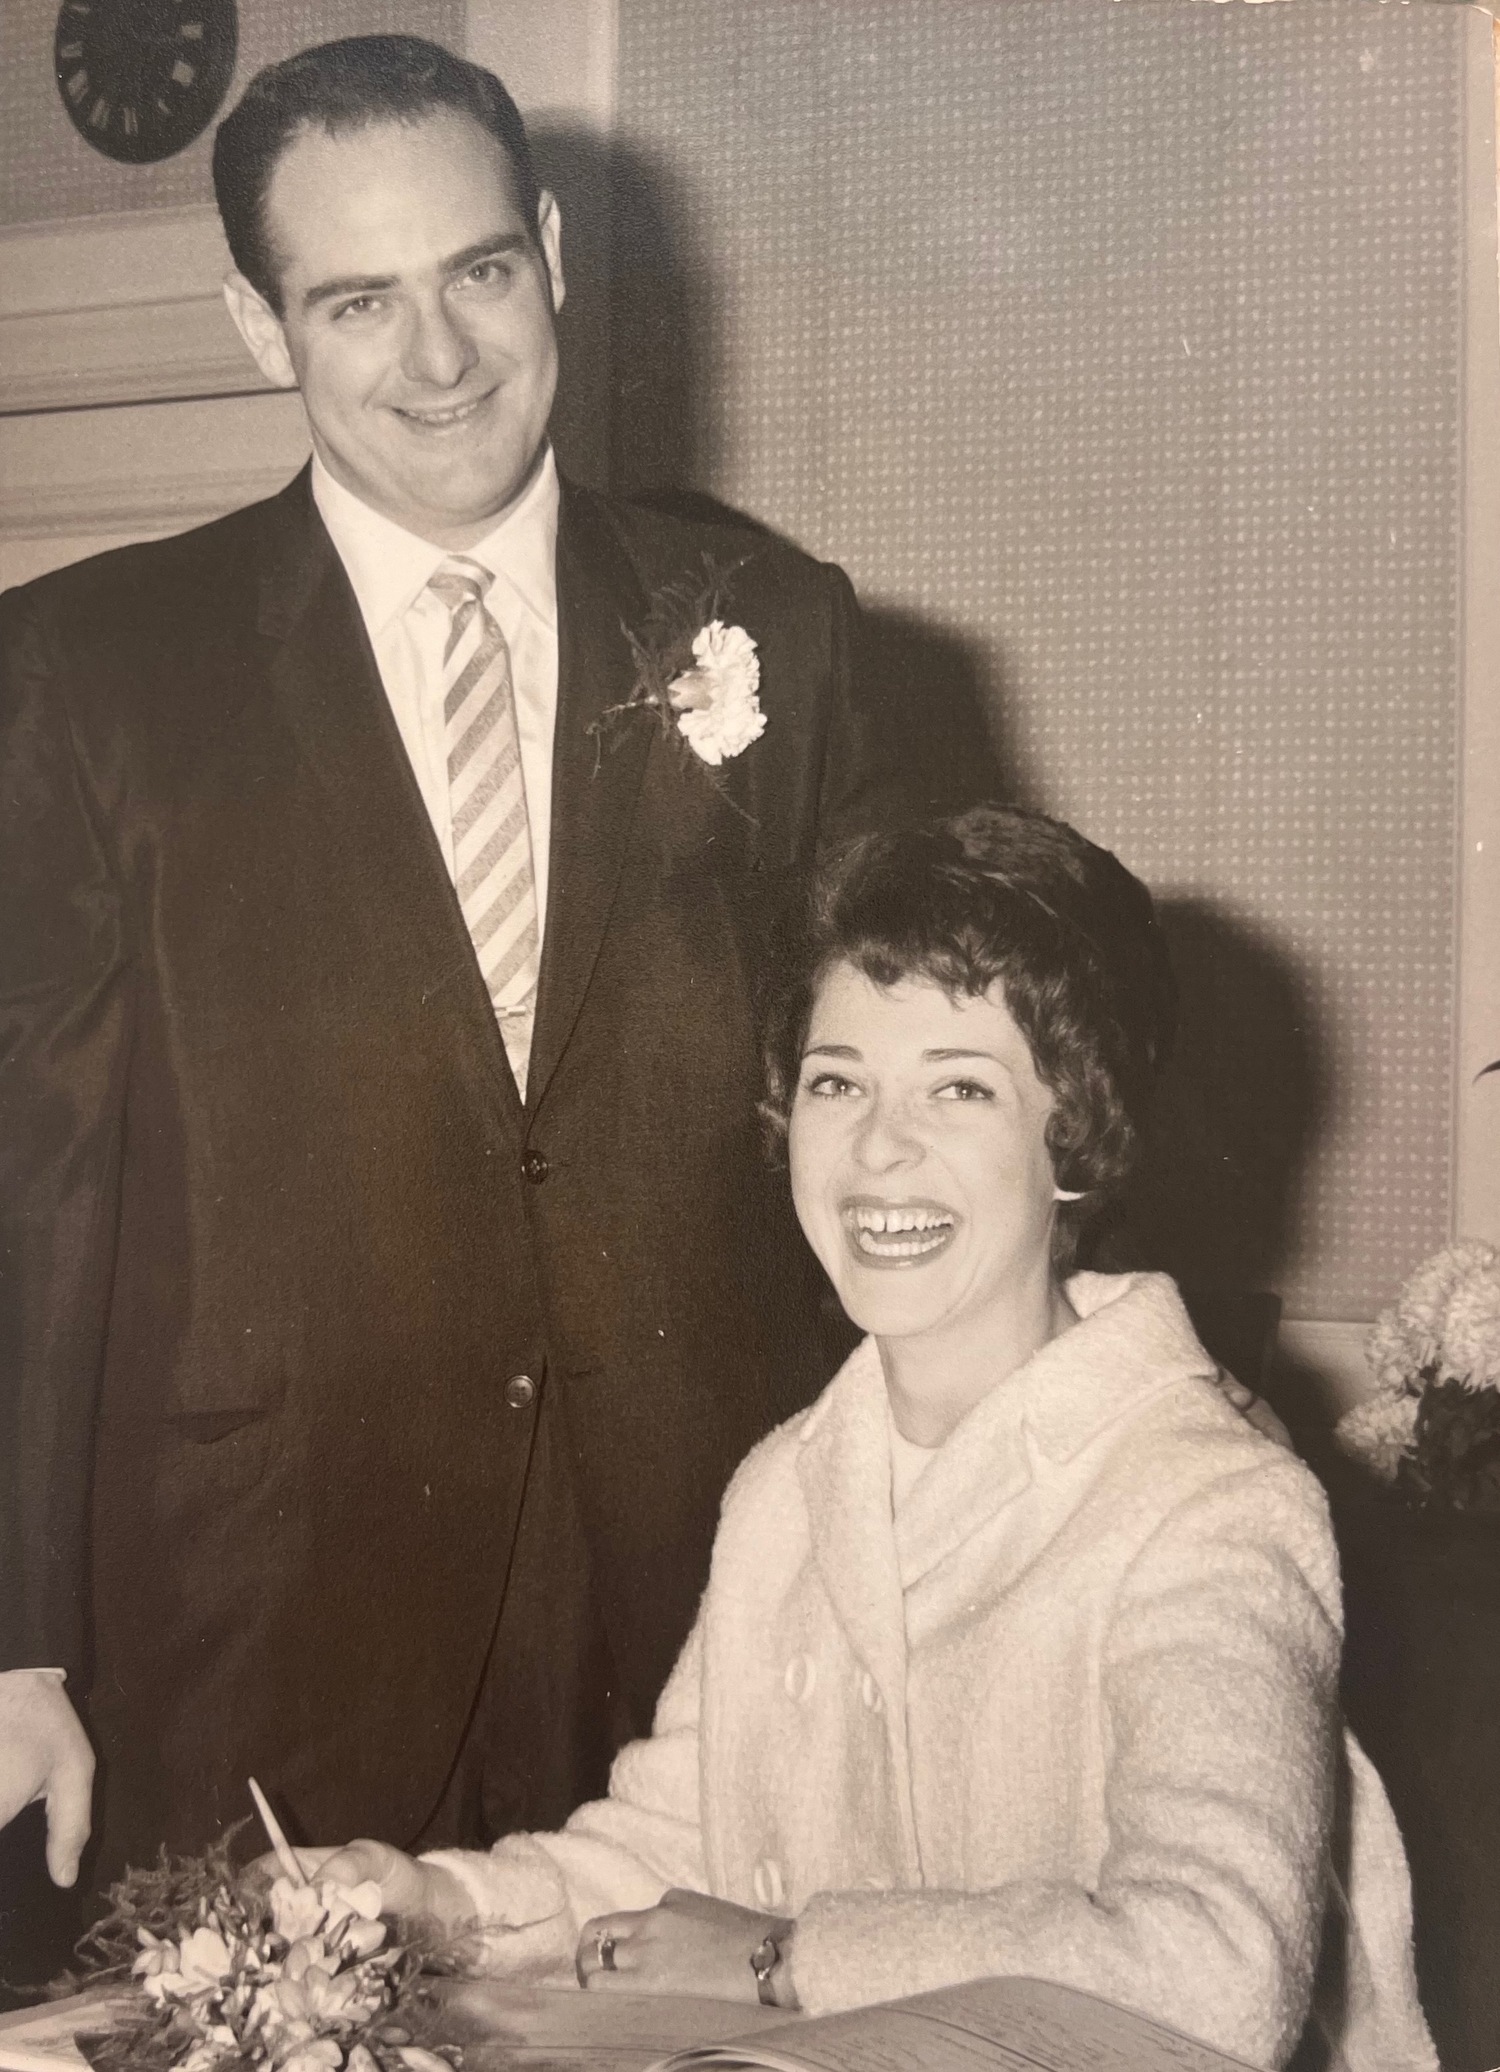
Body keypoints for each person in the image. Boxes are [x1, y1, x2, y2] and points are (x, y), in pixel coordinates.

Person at [0, 31, 943, 1929]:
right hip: (254, 1626)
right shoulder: (88, 675)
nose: (438, 358)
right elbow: (31, 1181)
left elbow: (908, 1114)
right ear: (263, 328)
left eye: (478, 272)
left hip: (701, 1632)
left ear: (558, 260)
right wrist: (15, 1642)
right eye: (357, 300)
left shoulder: (779, 630)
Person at [301, 807, 1435, 2071]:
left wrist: (781, 1954)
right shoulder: (786, 1485)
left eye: (960, 1085)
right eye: (838, 1080)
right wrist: (435, 1903)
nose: (878, 1149)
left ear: (1079, 1136)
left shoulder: (1209, 1502)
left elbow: (1213, 1975)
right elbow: (678, 1849)